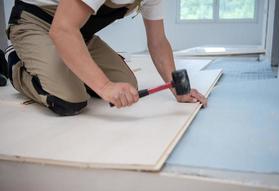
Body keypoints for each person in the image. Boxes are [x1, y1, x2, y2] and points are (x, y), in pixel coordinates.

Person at [6, 0, 207, 116]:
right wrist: (104, 87)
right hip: (37, 22)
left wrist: (177, 89)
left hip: (77, 32)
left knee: (126, 84)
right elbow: (63, 29)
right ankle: (14, 62)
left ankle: (69, 61)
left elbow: (158, 41)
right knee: (69, 100)